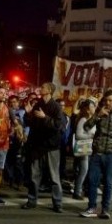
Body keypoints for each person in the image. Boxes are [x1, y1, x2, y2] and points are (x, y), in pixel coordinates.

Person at [80, 91, 112, 219]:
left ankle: (105, 209)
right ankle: (91, 207)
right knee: (92, 181)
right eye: (106, 100)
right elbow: (86, 127)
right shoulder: (99, 113)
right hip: (97, 153)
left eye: (110, 100)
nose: (108, 103)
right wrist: (97, 115)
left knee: (108, 183)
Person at [21, 82, 65, 213]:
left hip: (51, 147)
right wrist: (28, 114)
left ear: (50, 90)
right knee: (34, 174)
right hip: (37, 146)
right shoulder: (38, 104)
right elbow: (30, 123)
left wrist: (45, 117)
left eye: (43, 87)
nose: (41, 89)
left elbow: (58, 126)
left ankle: (57, 203)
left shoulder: (56, 107)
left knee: (54, 177)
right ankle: (31, 200)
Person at [71, 98, 97, 200]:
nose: (94, 108)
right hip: (85, 146)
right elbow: (78, 135)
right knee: (83, 169)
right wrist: (91, 136)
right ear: (87, 109)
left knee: (87, 169)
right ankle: (77, 191)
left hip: (90, 147)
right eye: (92, 106)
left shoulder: (92, 119)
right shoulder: (83, 120)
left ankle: (83, 190)